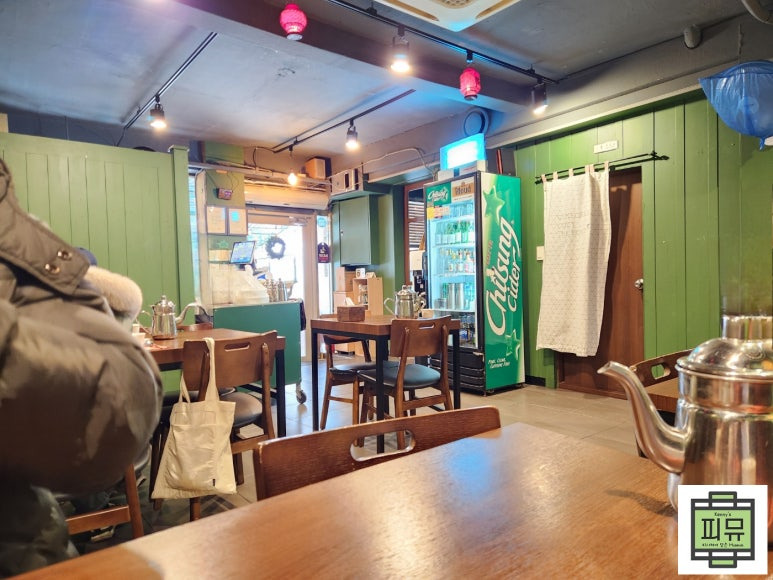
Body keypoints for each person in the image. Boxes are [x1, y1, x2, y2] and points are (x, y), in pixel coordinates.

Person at [0, 158, 162, 576]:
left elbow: (122, 393)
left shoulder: (23, 251)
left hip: (27, 536)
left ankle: (105, 514)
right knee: (139, 439)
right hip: (36, 518)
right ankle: (120, 516)